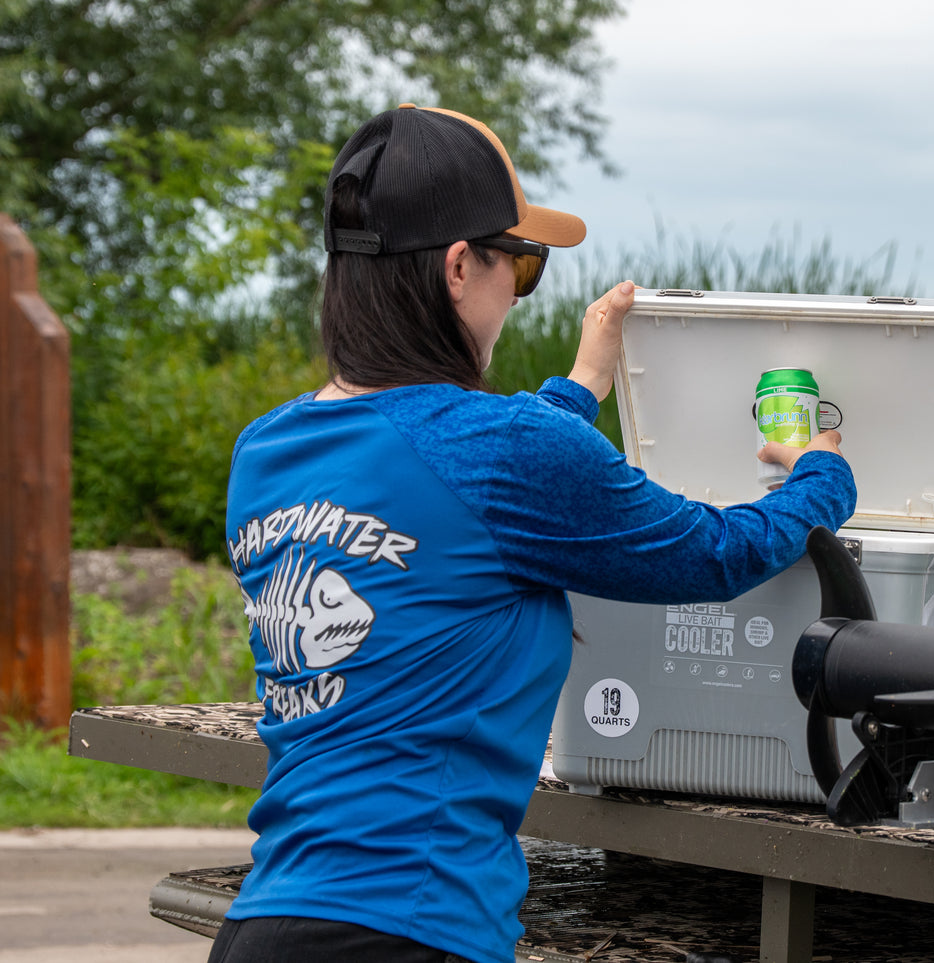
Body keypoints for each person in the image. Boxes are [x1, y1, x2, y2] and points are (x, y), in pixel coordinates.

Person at [209, 103, 856, 963]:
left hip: (265, 924)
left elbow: (456, 491)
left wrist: (580, 385)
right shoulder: (505, 453)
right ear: (454, 268)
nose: (513, 294)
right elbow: (716, 551)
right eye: (518, 268)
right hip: (410, 928)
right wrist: (821, 476)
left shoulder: (267, 451)